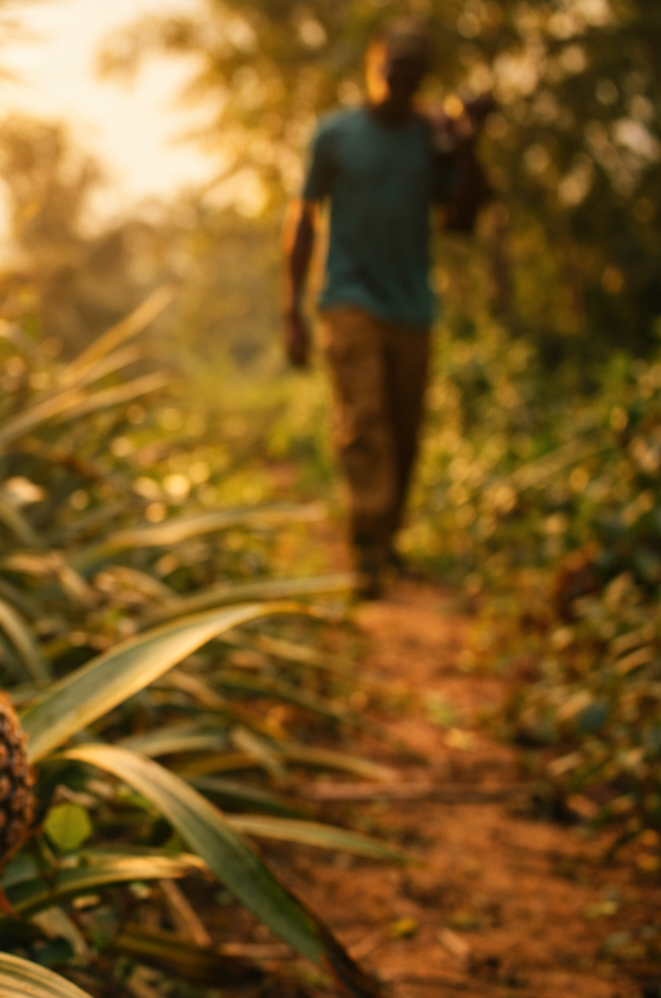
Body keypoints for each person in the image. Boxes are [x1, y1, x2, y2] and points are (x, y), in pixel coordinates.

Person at [283, 18, 489, 597]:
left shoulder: (434, 139)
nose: (399, 84)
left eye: (412, 75)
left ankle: (388, 540)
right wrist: (290, 308)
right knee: (364, 421)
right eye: (390, 72)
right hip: (349, 297)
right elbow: (303, 217)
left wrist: (470, 142)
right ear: (373, 69)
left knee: (404, 432)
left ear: (423, 79)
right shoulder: (335, 135)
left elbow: (462, 220)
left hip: (412, 306)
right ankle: (367, 552)